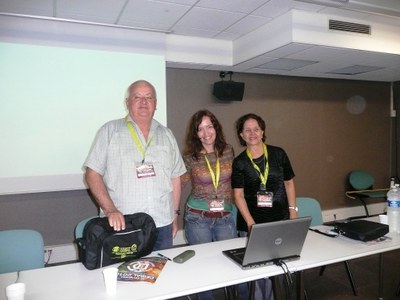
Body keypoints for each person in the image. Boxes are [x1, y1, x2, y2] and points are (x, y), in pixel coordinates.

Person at [84, 80, 186, 251]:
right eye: (137, 97)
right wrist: (110, 210)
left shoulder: (167, 135)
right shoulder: (109, 131)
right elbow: (92, 174)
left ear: (156, 104)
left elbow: (175, 177)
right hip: (124, 225)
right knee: (125, 275)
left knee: (163, 275)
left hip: (162, 225)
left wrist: (174, 215)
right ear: (127, 103)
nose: (144, 102)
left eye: (149, 97)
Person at [232, 113, 298, 300]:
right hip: (254, 222)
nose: (252, 133)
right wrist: (251, 223)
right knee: (258, 270)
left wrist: (293, 211)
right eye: (247, 130)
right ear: (241, 135)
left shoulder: (278, 154)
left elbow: (289, 183)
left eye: (256, 129)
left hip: (280, 218)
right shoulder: (240, 162)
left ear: (262, 132)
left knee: (280, 265)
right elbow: (238, 195)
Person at [181, 110, 237, 300]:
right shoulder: (191, 157)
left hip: (225, 217)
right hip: (198, 218)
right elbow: (179, 183)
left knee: (232, 261)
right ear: (195, 134)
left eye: (209, 126)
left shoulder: (229, 151)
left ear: (216, 127)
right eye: (200, 129)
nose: (206, 133)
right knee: (202, 266)